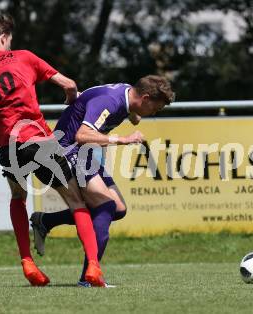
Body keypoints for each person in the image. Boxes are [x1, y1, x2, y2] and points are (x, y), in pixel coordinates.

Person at [0, 14, 105, 287]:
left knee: (18, 198)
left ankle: (28, 262)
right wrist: (72, 103)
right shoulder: (23, 57)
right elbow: (69, 84)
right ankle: (94, 267)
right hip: (39, 141)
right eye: (9, 40)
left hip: (9, 148)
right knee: (76, 201)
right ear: (4, 38)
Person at [31, 75, 174, 286]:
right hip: (66, 150)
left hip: (84, 153)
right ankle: (89, 278)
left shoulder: (127, 94)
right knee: (105, 206)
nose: (154, 113)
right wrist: (122, 139)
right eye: (155, 109)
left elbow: (120, 109)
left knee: (118, 209)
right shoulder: (111, 101)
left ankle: (46, 221)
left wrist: (133, 115)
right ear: (145, 98)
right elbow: (82, 134)